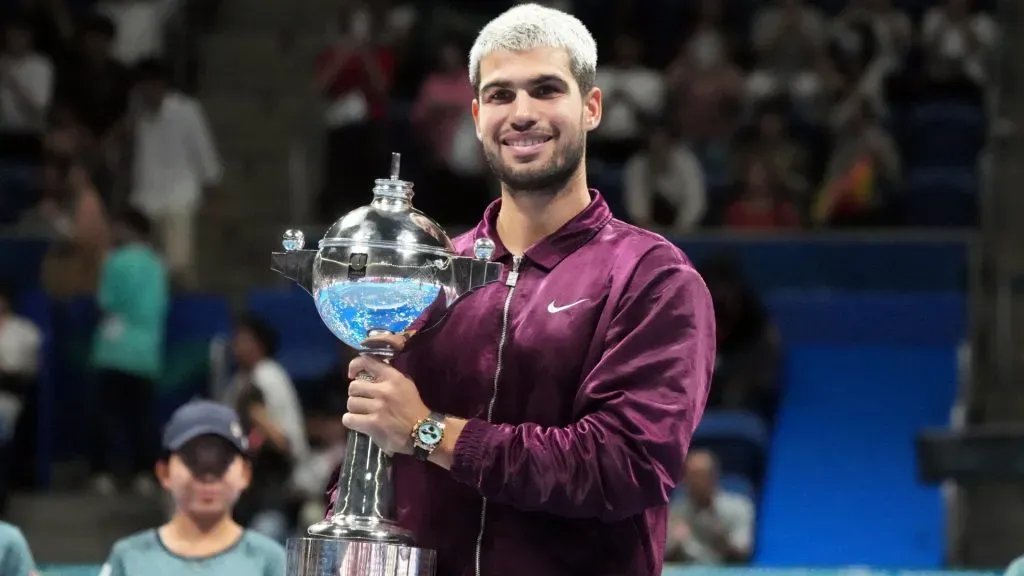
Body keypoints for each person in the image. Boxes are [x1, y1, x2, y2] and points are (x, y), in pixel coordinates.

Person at [327, 4, 717, 576]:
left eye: (546, 89)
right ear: (478, 113)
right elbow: (383, 441)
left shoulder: (651, 278)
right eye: (502, 95)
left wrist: (429, 431)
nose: (523, 113)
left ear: (591, 107)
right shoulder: (428, 275)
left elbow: (625, 465)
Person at [99, 400, 286, 575]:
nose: (208, 476)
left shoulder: (271, 561)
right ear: (164, 472)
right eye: (192, 460)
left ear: (245, 473)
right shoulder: (129, 558)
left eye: (222, 461)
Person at [90, 208, 169, 496]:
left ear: (128, 229)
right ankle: (145, 474)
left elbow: (105, 301)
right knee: (142, 416)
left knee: (109, 415)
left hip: (113, 350)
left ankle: (105, 473)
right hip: (146, 353)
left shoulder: (115, 261)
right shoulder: (157, 264)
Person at [665, 450, 755, 564]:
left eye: (699, 476)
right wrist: (675, 545)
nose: (693, 483)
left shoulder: (739, 507)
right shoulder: (676, 511)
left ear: (713, 477)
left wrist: (722, 539)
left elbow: (743, 555)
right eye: (688, 476)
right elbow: (664, 559)